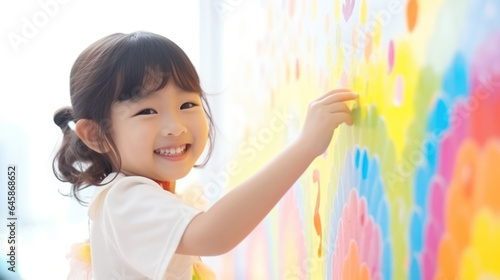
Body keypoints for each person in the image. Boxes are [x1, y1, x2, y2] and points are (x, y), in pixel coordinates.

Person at [52, 31, 358, 280]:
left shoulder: (144, 192)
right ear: (96, 135)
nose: (175, 126)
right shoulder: (126, 198)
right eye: (147, 111)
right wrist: (305, 146)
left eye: (187, 105)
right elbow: (214, 234)